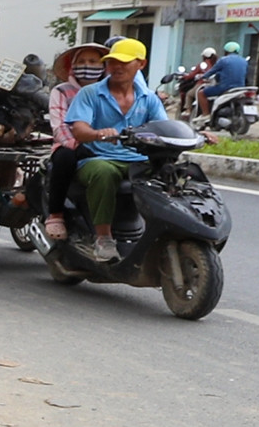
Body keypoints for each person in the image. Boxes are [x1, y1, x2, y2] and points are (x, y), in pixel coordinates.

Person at [61, 38, 167, 261]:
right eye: (112, 62)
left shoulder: (149, 98)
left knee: (169, 173)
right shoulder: (90, 93)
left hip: (138, 160)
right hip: (98, 158)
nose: (116, 67)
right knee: (103, 172)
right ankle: (103, 238)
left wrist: (196, 134)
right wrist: (98, 133)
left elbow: (163, 128)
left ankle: (160, 234)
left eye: (124, 62)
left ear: (141, 64)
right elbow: (79, 130)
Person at [41, 43, 108, 240]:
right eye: (82, 61)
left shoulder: (111, 91)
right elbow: (59, 126)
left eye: (93, 61)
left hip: (104, 145)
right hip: (69, 144)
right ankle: (56, 214)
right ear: (73, 65)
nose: (87, 65)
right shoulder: (61, 91)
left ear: (103, 66)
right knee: (65, 159)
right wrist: (76, 144)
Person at [199, 40, 248, 116]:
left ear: (226, 51)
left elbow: (212, 71)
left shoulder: (223, 60)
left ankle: (205, 114)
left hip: (225, 88)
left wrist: (203, 76)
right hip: (240, 88)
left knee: (201, 93)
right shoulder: (244, 61)